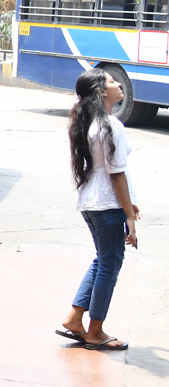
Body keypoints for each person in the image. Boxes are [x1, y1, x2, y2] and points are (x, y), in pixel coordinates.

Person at [59, 68, 140, 351]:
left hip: (91, 202)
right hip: (107, 204)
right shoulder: (110, 125)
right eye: (112, 81)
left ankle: (74, 317)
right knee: (110, 264)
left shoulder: (87, 122)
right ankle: (95, 331)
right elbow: (117, 174)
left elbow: (108, 171)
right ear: (101, 92)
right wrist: (128, 215)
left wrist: (129, 204)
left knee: (103, 260)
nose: (118, 84)